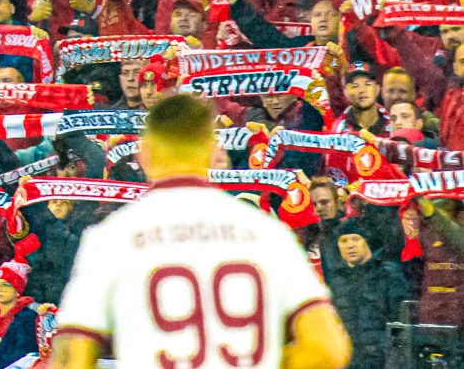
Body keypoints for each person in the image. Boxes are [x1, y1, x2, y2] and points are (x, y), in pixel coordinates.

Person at [53, 94, 352, 369]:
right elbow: (329, 349)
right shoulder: (269, 234)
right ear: (213, 149)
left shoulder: (110, 239)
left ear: (144, 153)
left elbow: (72, 360)